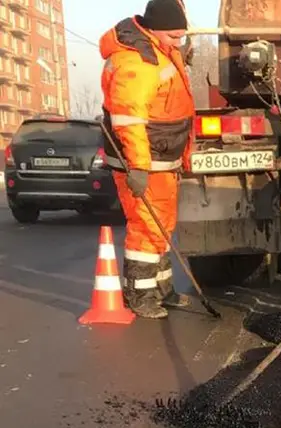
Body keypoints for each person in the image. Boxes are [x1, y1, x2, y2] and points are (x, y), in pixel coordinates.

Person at [99, 0, 195, 319]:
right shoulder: (136, 63)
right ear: (154, 30)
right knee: (146, 226)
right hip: (144, 162)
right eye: (173, 37)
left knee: (162, 226)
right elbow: (129, 120)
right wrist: (138, 168)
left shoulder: (160, 50)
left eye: (181, 36)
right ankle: (139, 296)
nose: (178, 43)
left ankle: (161, 290)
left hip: (160, 159)